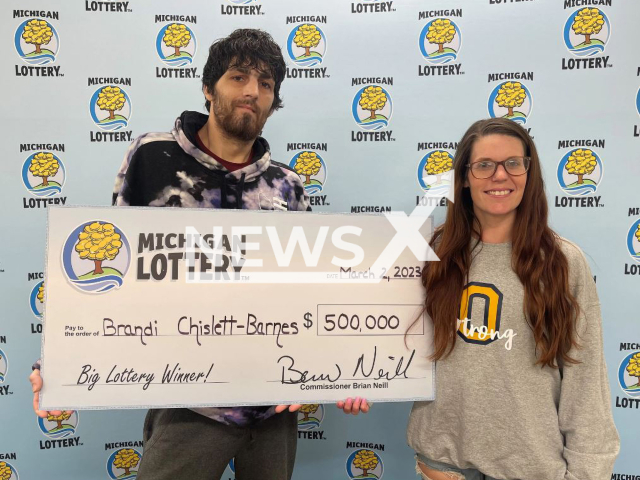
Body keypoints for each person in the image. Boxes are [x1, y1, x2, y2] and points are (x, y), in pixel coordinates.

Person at [29, 28, 368, 480]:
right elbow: (112, 268)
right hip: (189, 399)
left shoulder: (288, 185)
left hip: (274, 402)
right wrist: (61, 362)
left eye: (266, 84)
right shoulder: (153, 157)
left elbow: (308, 294)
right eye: (239, 77)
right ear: (209, 88)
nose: (252, 91)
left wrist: (346, 371)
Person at [406, 118, 619, 480]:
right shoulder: (429, 253)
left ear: (528, 172)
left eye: (513, 163)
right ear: (463, 178)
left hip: (531, 468)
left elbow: (585, 382)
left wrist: (589, 471)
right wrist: (356, 384)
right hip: (442, 466)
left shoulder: (563, 263)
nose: (500, 175)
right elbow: (388, 342)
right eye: (484, 165)